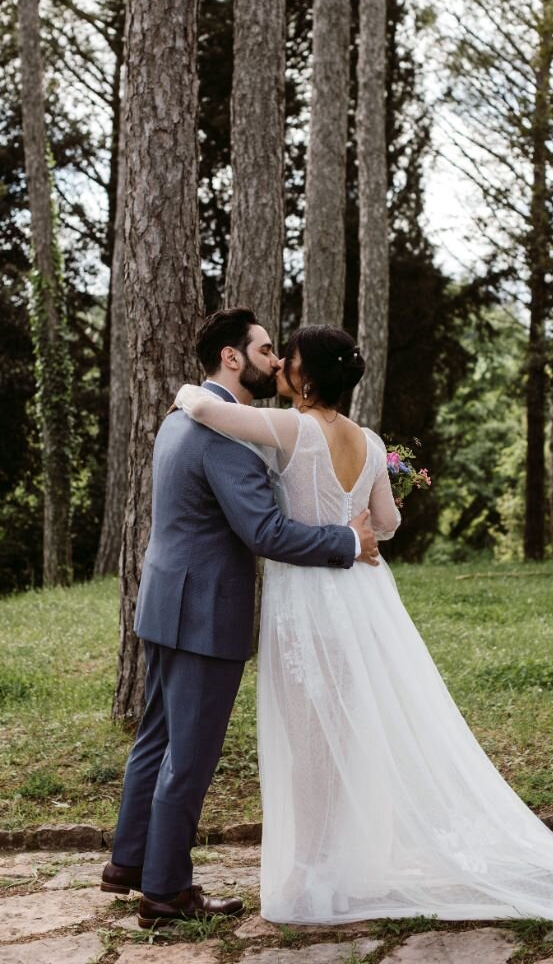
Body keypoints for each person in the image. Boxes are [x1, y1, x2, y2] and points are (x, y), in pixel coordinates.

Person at [174, 322, 553, 933]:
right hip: (360, 596)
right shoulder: (370, 439)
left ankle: (310, 877)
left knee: (310, 747)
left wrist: (189, 396)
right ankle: (332, 868)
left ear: (305, 377)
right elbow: (386, 522)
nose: (279, 367)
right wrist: (353, 527)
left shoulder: (291, 428)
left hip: (307, 600)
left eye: (289, 360)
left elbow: (209, 411)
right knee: (341, 743)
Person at [100, 308, 379, 929]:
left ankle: (129, 862)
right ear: (233, 357)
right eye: (265, 349)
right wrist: (347, 542)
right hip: (204, 613)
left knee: (157, 740)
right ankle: (165, 892)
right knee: (189, 757)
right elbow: (264, 531)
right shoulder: (222, 435)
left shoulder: (181, 417)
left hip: (166, 602)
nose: (276, 360)